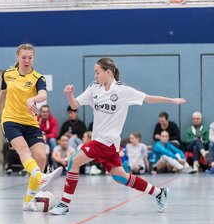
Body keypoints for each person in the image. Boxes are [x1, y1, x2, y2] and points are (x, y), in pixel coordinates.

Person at [49, 57, 185, 215]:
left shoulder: (122, 90)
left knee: (74, 161)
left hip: (106, 141)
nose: (95, 76)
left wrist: (171, 100)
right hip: (103, 142)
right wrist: (70, 95)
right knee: (120, 176)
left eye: (97, 72)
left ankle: (64, 204)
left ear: (109, 72)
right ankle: (159, 193)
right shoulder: (94, 88)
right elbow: (75, 105)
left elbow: (147, 98)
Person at [0, 43, 63, 211]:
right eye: (23, 57)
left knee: (41, 157)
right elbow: (4, 92)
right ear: (17, 57)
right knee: (24, 151)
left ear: (33, 58)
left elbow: (43, 94)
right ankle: (40, 177)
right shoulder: (8, 74)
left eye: (30, 57)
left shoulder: (37, 78)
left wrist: (32, 99)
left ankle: (28, 200)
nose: (27, 60)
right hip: (10, 120)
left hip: (30, 122)